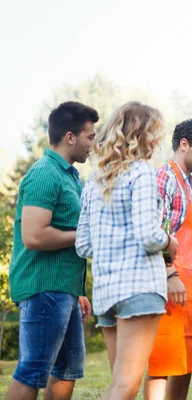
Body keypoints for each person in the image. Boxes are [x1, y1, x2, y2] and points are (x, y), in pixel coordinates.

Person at [75, 101, 179, 400]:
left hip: (107, 294)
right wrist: (169, 242)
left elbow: (84, 245)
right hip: (139, 290)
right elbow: (148, 235)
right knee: (125, 387)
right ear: (145, 134)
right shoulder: (142, 173)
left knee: (121, 386)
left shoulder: (95, 181)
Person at [7, 101, 98, 400]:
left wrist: (77, 290)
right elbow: (34, 236)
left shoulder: (69, 176)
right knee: (33, 369)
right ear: (70, 137)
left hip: (64, 289)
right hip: (43, 288)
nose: (93, 144)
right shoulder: (45, 173)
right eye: (90, 136)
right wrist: (85, 235)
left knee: (68, 367)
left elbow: (65, 230)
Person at [145, 118, 192, 400]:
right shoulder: (165, 177)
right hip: (169, 283)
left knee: (185, 362)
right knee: (161, 363)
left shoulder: (191, 185)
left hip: (190, 285)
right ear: (184, 144)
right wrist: (170, 273)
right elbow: (157, 229)